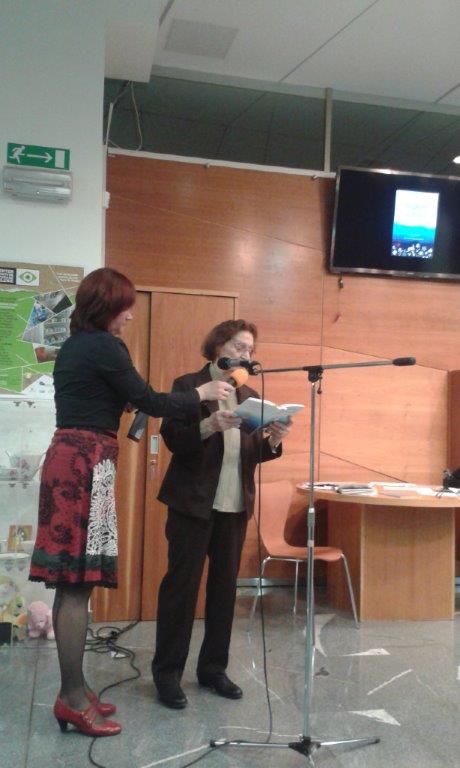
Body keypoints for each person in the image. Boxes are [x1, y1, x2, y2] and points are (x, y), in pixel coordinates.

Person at [29, 268, 233, 738]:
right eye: (125, 309)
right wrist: (200, 393)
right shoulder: (104, 345)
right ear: (108, 307)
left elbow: (109, 399)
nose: (129, 317)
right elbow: (151, 401)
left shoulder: (77, 345)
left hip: (74, 458)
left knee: (74, 584)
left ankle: (77, 690)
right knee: (75, 585)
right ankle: (71, 699)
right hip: (84, 463)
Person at [152, 319, 291, 709]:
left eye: (250, 350)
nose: (245, 355)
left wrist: (273, 441)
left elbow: (250, 453)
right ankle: (167, 675)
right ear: (218, 346)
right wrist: (209, 424)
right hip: (192, 504)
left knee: (224, 591)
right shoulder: (189, 386)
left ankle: (213, 669)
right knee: (181, 589)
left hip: (234, 506)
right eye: (239, 347)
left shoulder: (249, 395)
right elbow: (173, 440)